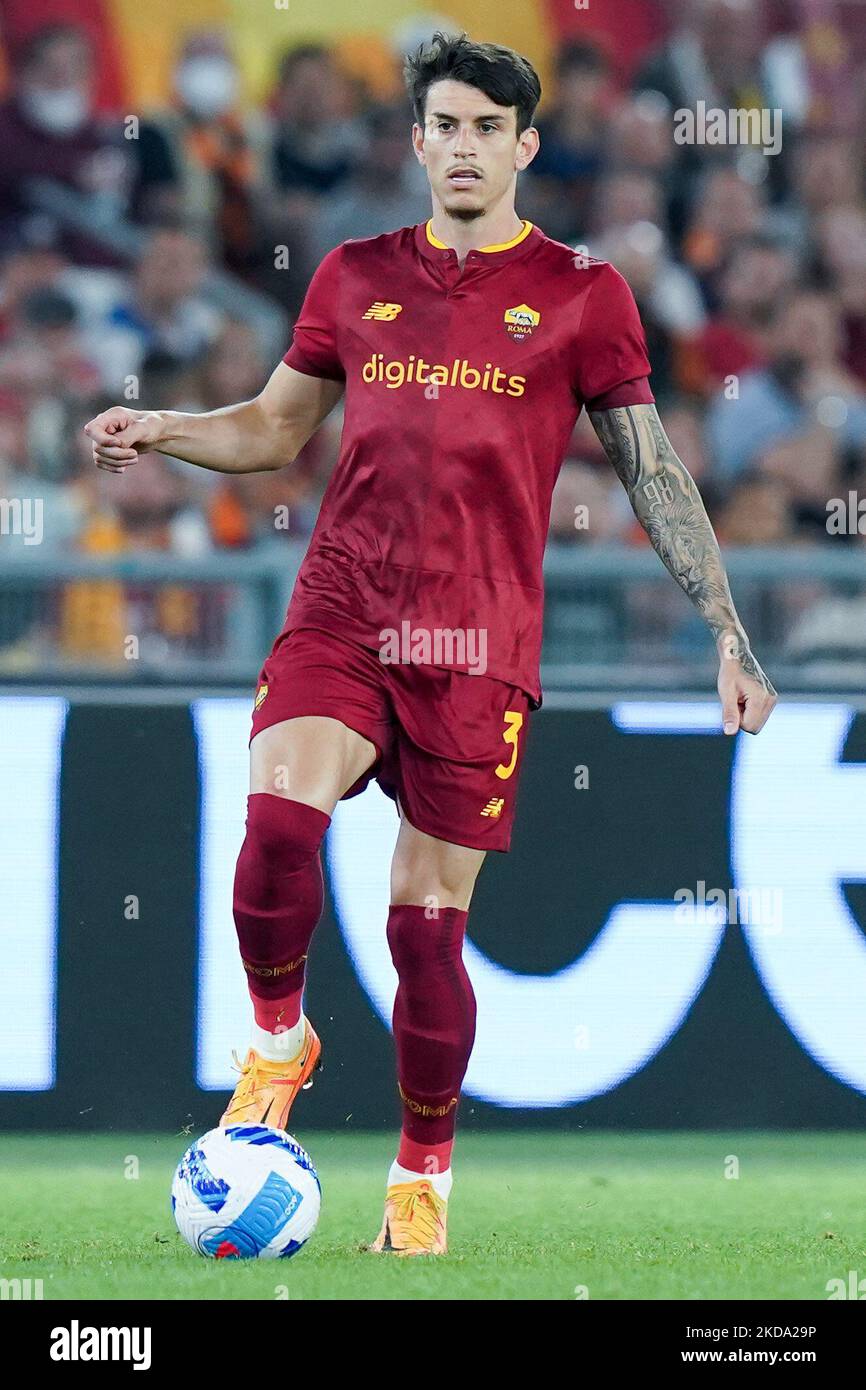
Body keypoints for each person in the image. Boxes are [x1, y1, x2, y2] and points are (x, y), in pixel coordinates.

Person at [84, 31, 777, 1258]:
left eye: (484, 130)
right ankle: (278, 1040)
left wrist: (727, 631)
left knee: (421, 925)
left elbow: (651, 470)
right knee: (279, 823)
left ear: (521, 146)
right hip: (344, 606)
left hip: (477, 645)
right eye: (441, 127)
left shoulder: (581, 294)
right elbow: (269, 430)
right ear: (416, 144)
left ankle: (419, 1182)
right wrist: (163, 428)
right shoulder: (352, 274)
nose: (461, 148)